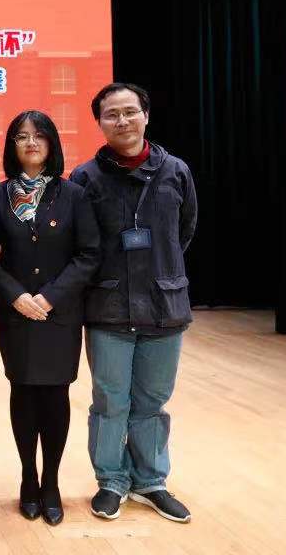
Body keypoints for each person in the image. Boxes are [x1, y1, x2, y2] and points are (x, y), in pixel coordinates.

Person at [70, 82, 198, 523]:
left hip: (164, 306)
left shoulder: (176, 171)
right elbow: (81, 244)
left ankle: (150, 481)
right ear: (99, 123)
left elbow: (184, 230)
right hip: (108, 307)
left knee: (152, 400)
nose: (121, 121)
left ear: (146, 115)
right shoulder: (85, 178)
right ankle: (110, 480)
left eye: (129, 112)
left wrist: (161, 272)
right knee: (110, 401)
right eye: (111, 114)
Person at [0, 110, 99, 526]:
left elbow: (88, 255)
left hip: (59, 314)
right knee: (22, 394)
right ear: (12, 146)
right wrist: (15, 295)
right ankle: (27, 477)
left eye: (39, 136)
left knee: (55, 396)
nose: (31, 142)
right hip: (16, 313)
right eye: (22, 136)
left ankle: (50, 481)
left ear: (52, 143)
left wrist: (51, 297)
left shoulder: (74, 195)